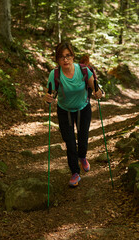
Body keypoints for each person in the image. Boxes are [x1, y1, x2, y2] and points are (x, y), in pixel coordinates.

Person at [44, 42, 103, 187]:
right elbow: (49, 93)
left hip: (83, 109)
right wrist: (48, 98)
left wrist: (99, 93)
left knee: (83, 138)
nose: (65, 60)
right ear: (57, 59)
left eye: (68, 56)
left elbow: (95, 87)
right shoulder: (55, 74)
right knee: (70, 143)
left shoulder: (83, 70)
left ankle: (82, 156)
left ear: (73, 56)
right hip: (64, 111)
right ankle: (75, 173)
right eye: (61, 57)